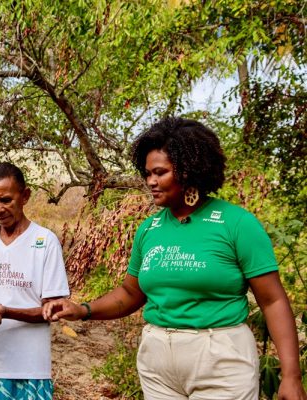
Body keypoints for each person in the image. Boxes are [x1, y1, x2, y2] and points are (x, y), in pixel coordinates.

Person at [43, 117, 307, 400]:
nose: (151, 182)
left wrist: (291, 375)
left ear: (190, 170)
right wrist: (82, 309)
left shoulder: (237, 224)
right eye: (148, 173)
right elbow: (131, 293)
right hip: (158, 362)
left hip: (221, 360)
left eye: (160, 173)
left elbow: (272, 300)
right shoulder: (150, 229)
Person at [0, 162, 70, 400]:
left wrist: (6, 312)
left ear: (25, 196)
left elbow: (53, 309)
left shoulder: (44, 241)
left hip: (28, 368)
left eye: (6, 200)